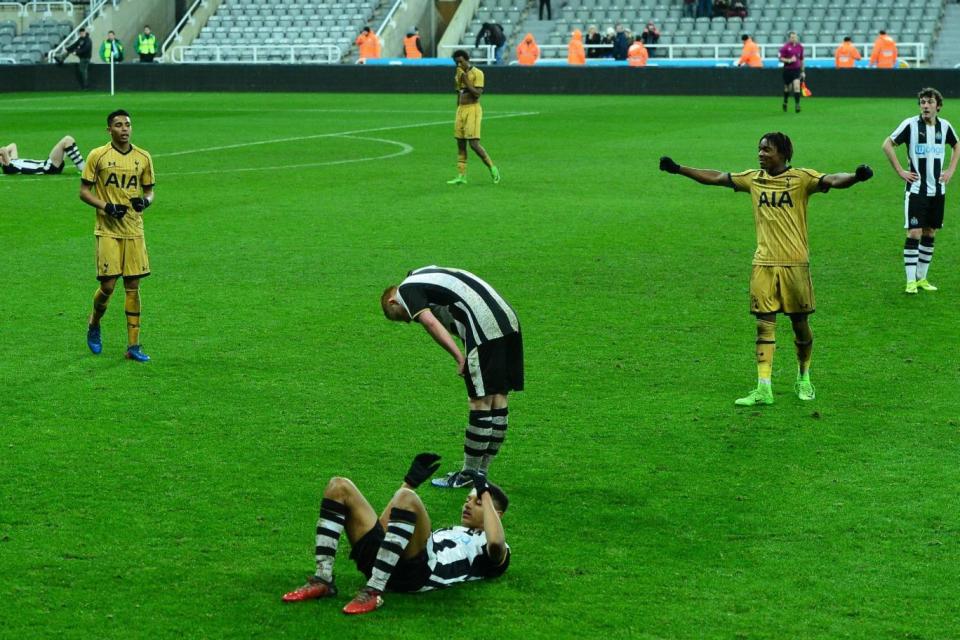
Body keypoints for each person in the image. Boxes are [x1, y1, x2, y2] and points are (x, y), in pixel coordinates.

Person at [659, 133, 873, 405]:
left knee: (800, 325)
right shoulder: (753, 179)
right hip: (763, 263)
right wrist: (679, 169)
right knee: (764, 325)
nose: (760, 154)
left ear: (783, 154)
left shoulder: (802, 178)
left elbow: (832, 179)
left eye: (766, 150)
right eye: (759, 149)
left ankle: (804, 377)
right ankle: (763, 388)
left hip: (795, 263)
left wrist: (856, 176)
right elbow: (715, 177)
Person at [280, 454, 510, 615]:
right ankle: (323, 578)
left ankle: (374, 590)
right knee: (339, 486)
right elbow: (382, 529)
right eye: (468, 499)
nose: (468, 505)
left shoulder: (489, 546)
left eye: (477, 502)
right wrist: (408, 483)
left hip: (417, 575)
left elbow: (497, 545)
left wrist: (485, 493)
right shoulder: (452, 530)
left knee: (406, 498)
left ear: (495, 513)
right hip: (386, 564)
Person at [381, 266, 523, 486]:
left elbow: (430, 322)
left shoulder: (406, 292)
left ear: (393, 302)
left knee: (479, 402)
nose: (409, 321)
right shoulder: (422, 274)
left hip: (484, 327)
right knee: (498, 398)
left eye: (403, 317)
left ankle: (469, 475)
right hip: (508, 319)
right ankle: (480, 473)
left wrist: (459, 357)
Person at [79, 110, 156, 363]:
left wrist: (145, 202)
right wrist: (106, 207)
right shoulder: (97, 155)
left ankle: (133, 346)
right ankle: (94, 322)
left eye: (128, 125)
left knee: (133, 287)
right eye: (119, 125)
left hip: (134, 230)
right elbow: (84, 192)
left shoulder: (143, 157)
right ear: (109, 130)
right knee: (108, 286)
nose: (125, 129)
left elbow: (149, 192)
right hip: (108, 230)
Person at [881, 88, 959, 294]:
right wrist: (900, 171)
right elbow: (887, 145)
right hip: (916, 189)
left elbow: (957, 145)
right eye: (922, 102)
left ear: (938, 106)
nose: (925, 106)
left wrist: (950, 170)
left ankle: (922, 278)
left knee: (930, 232)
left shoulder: (945, 126)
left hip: (938, 190)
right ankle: (910, 282)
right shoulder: (910, 125)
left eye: (929, 102)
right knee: (914, 232)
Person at [445, 50, 500, 185]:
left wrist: (465, 79)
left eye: (461, 61)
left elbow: (477, 94)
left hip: (473, 110)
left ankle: (493, 168)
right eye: (456, 62)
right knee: (460, 143)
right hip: (461, 110)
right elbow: (459, 92)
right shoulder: (458, 75)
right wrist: (458, 108)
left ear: (467, 59)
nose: (459, 64)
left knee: (474, 144)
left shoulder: (478, 73)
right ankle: (461, 176)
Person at [0, 135, 84, 175]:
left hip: (48, 166)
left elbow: (13, 145)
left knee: (68, 142)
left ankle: (83, 169)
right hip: (46, 168)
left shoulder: (13, 161)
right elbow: (3, 150)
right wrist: (4, 156)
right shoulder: (8, 167)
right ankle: (84, 169)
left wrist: (7, 157)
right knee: (67, 140)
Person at [778, 31, 804, 113]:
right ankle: (785, 101)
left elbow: (802, 59)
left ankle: (797, 105)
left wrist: (803, 71)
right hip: (787, 70)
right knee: (788, 88)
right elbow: (780, 58)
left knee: (796, 86)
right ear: (789, 38)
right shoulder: (785, 47)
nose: (794, 38)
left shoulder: (800, 47)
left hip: (796, 70)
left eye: (795, 37)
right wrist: (789, 60)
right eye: (792, 37)